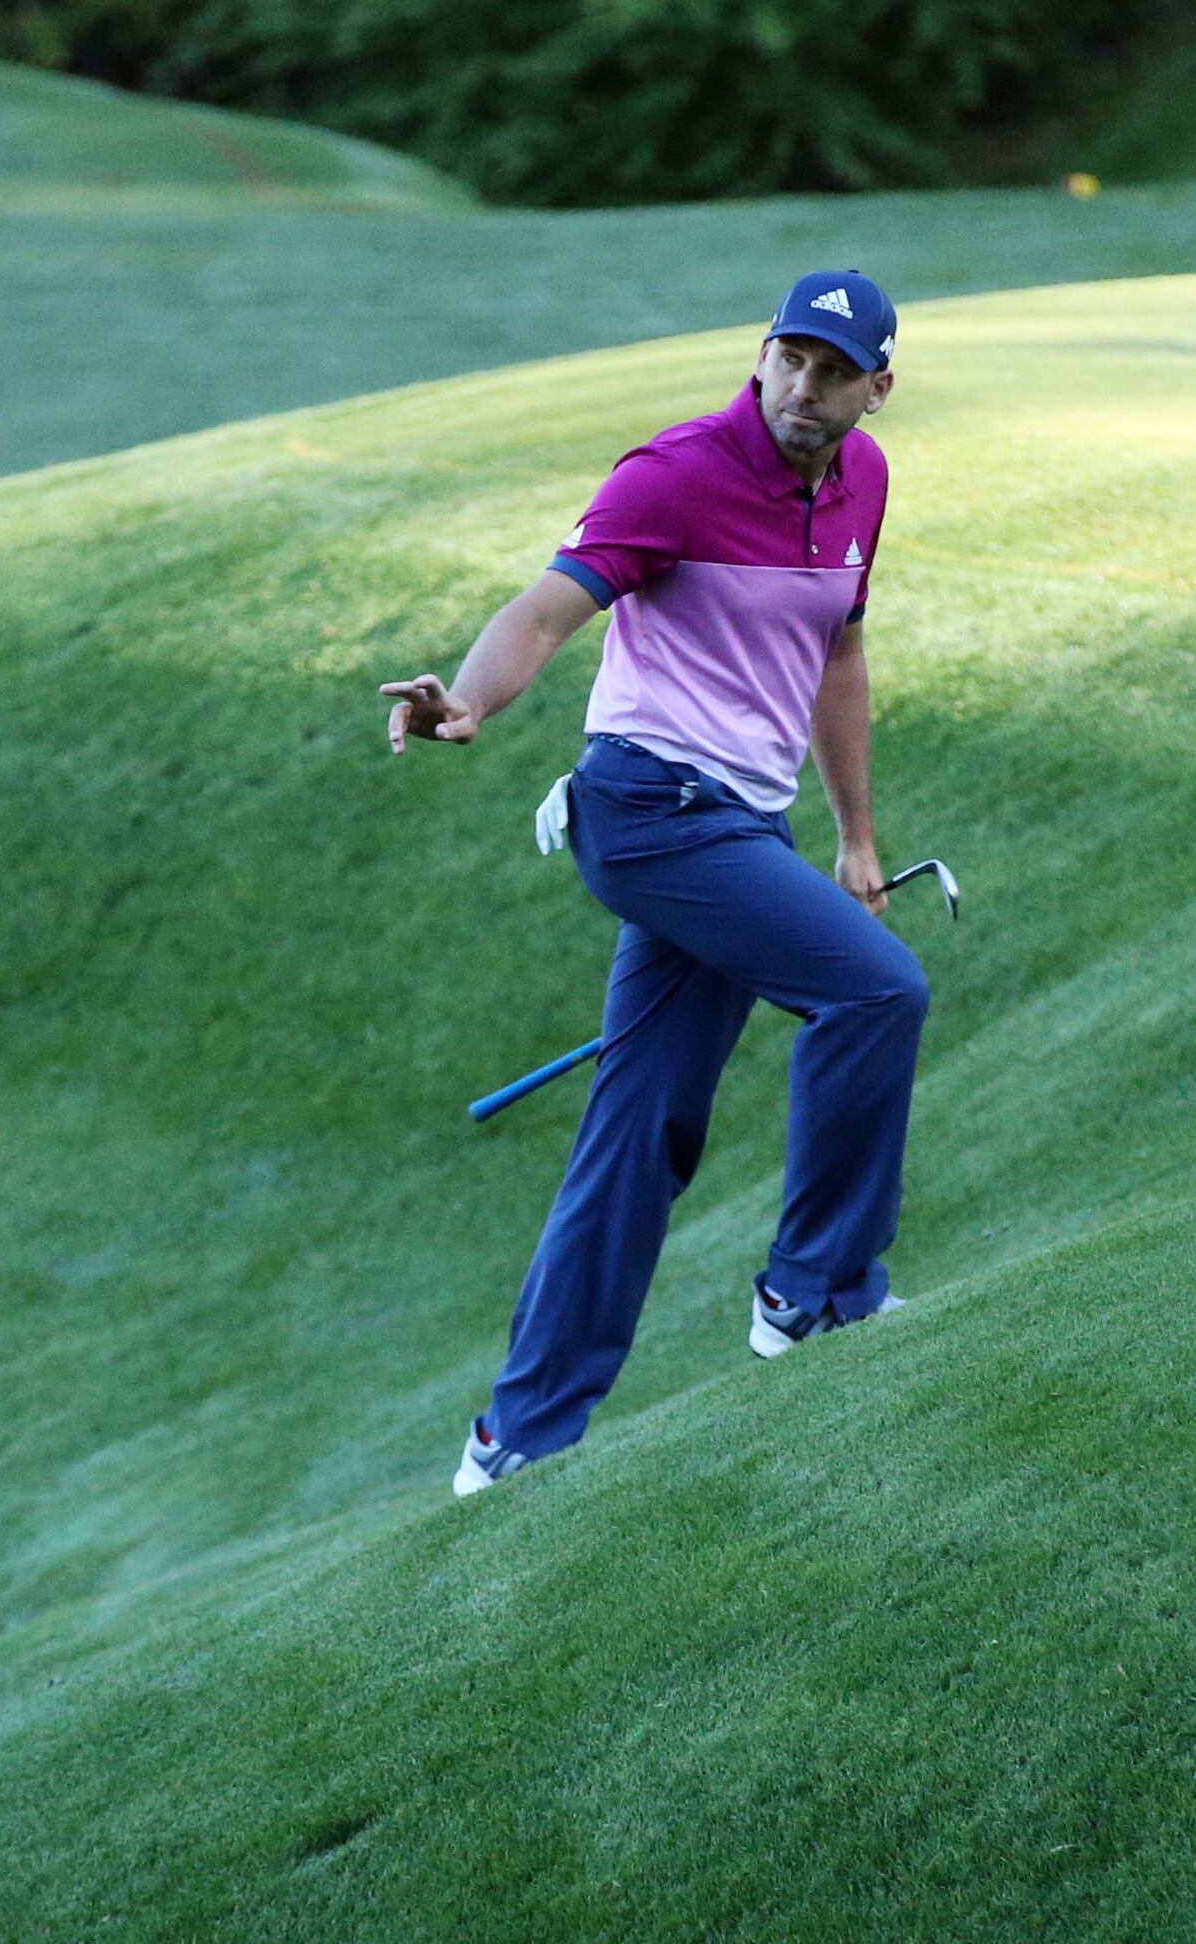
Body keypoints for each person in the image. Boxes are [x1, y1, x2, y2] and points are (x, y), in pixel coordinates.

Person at [381, 268, 932, 1497]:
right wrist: (466, 702)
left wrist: (854, 837)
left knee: (638, 1133)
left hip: (741, 823)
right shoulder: (678, 473)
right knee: (877, 994)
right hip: (647, 811)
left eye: (836, 370)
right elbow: (544, 610)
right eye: (791, 356)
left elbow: (838, 654)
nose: (805, 384)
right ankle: (817, 1295)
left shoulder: (864, 488)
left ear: (877, 390)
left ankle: (518, 1440)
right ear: (763, 353)